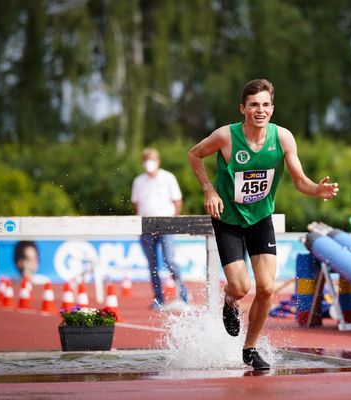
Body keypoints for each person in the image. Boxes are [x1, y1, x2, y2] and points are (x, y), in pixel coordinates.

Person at [188, 79, 339, 370]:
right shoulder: (226, 136)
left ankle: (250, 348)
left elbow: (300, 181)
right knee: (240, 287)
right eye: (254, 105)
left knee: (267, 288)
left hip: (260, 219)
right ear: (243, 108)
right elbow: (194, 154)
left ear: (272, 109)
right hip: (228, 220)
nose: (260, 110)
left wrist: (316, 190)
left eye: (266, 105)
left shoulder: (283, 138)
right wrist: (209, 189)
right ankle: (230, 303)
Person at [131, 147, 189, 309]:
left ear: (158, 161)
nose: (150, 163)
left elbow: (177, 201)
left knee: (170, 260)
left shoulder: (168, 178)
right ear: (143, 162)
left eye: (153, 159)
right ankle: (158, 298)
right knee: (152, 265)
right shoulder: (138, 181)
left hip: (166, 224)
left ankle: (183, 293)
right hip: (146, 226)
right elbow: (137, 204)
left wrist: (173, 222)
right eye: (147, 159)